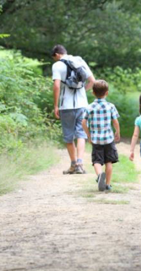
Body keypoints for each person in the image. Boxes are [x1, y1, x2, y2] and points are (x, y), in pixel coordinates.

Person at [52, 44, 95, 174]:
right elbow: (93, 81)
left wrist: (55, 105)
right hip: (82, 105)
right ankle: (80, 163)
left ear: (57, 55)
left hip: (66, 106)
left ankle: (73, 165)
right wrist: (83, 91)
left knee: (69, 136)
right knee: (81, 134)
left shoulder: (57, 65)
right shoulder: (79, 60)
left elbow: (57, 86)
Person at [82, 80, 120, 192]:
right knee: (109, 162)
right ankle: (107, 184)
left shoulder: (89, 107)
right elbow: (115, 121)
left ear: (93, 93)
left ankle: (99, 176)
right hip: (108, 139)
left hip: (96, 140)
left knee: (97, 161)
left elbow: (83, 122)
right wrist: (117, 131)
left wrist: (88, 135)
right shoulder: (110, 106)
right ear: (107, 93)